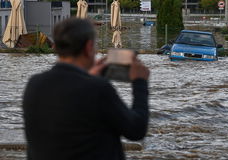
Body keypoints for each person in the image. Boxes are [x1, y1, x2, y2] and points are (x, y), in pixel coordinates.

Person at [22, 18, 150, 160]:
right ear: (88, 47)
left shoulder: (34, 84)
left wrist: (90, 77)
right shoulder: (98, 89)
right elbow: (136, 129)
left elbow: (70, 110)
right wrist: (140, 82)